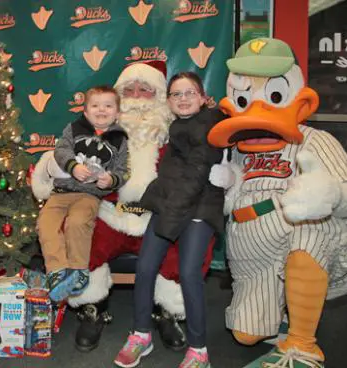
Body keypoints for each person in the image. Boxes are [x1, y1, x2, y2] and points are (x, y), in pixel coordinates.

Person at [207, 38, 347, 367]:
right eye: (245, 98)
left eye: (273, 96)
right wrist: (229, 188)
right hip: (253, 255)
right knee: (246, 335)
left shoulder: (317, 140)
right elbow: (235, 197)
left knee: (310, 228)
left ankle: (303, 347)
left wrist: (328, 195)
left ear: (300, 101)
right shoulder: (240, 148)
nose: (258, 107)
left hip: (307, 240)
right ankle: (286, 312)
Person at [32, 61, 214, 352]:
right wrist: (49, 170)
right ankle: (93, 308)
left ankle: (168, 311)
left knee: (183, 247)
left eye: (145, 90)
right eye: (129, 90)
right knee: (80, 232)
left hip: (156, 217)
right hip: (109, 212)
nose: (137, 96)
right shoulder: (98, 132)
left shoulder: (176, 131)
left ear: (159, 99)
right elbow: (63, 154)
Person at [114, 72, 225, 368]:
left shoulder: (210, 126)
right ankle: (141, 334)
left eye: (190, 93)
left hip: (199, 208)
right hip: (170, 206)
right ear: (169, 100)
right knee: (146, 266)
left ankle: (199, 350)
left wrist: (169, 220)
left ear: (202, 98)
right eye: (177, 94)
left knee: (189, 273)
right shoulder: (176, 126)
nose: (183, 99)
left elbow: (194, 178)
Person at [37, 85, 128, 302]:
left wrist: (110, 181)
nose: (101, 110)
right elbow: (61, 150)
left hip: (89, 194)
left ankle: (78, 272)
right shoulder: (74, 128)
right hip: (61, 192)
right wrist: (72, 166)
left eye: (108, 106)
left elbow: (122, 171)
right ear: (86, 112)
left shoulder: (120, 139)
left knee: (78, 222)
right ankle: (57, 272)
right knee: (45, 224)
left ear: (117, 113)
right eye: (95, 106)